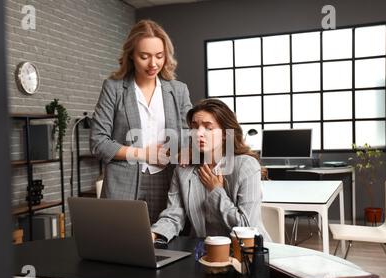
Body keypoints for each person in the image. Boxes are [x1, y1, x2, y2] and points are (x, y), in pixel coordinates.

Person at [90, 20, 192, 223]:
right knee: (120, 244)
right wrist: (144, 154)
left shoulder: (178, 90)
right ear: (131, 55)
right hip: (122, 184)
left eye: (159, 56)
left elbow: (191, 136)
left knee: (167, 245)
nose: (153, 64)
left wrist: (181, 151)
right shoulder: (114, 88)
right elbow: (98, 143)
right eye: (144, 56)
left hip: (169, 181)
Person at [151, 99, 272, 242]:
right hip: (203, 252)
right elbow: (173, 216)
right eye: (195, 127)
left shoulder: (246, 166)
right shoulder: (183, 169)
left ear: (226, 133)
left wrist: (216, 191)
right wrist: (153, 234)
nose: (199, 133)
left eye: (208, 128)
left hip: (247, 253)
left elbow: (246, 227)